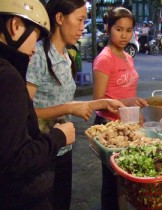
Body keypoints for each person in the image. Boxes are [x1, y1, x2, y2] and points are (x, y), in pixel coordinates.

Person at [26, 0, 125, 209]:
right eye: (79, 20)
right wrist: (69, 109)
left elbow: (63, 101)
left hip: (64, 147)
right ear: (60, 18)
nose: (83, 27)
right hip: (42, 150)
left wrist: (102, 102)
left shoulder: (66, 56)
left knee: (63, 202)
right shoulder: (38, 55)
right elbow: (26, 113)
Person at [0, 0, 76, 209]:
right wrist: (58, 137)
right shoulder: (8, 77)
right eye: (36, 36)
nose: (34, 48)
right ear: (15, 26)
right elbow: (14, 161)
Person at [93, 6, 148, 210]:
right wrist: (130, 102)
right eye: (119, 29)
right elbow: (97, 100)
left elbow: (128, 92)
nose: (124, 35)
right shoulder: (104, 59)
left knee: (126, 178)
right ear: (108, 29)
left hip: (127, 123)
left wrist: (137, 113)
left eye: (128, 30)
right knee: (112, 181)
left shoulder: (128, 57)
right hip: (108, 125)